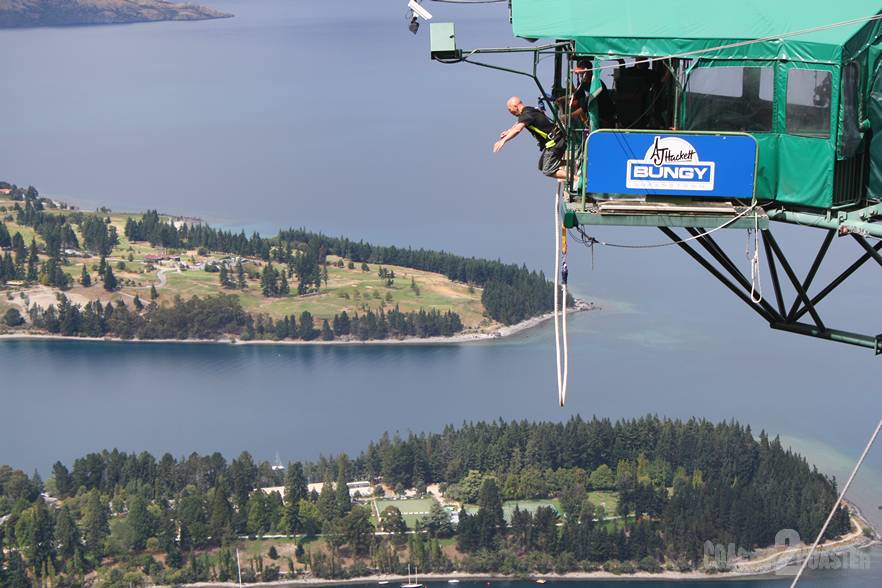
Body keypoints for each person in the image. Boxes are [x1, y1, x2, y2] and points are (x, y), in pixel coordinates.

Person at [493, 96, 567, 180]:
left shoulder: (526, 115)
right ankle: (571, 163)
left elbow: (517, 129)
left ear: (515, 106)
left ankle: (577, 179)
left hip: (555, 142)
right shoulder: (529, 110)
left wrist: (503, 141)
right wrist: (508, 131)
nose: (511, 112)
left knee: (547, 170)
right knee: (542, 165)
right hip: (557, 138)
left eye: (510, 110)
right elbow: (518, 123)